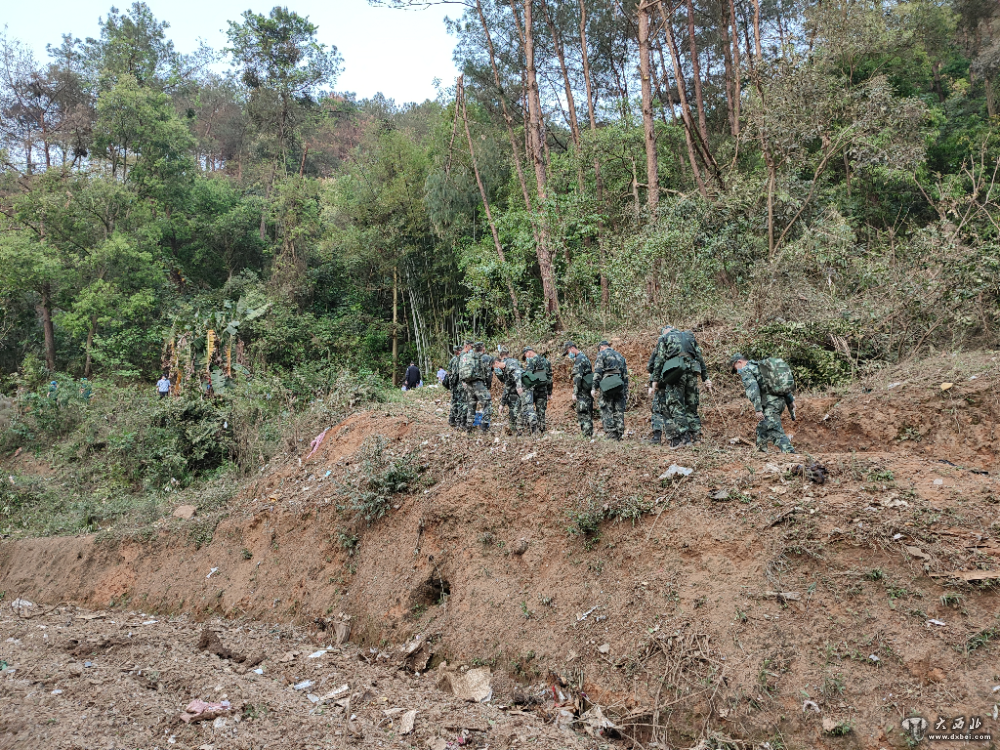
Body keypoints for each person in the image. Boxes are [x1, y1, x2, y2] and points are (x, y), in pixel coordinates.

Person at [647, 326, 711, 446]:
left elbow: (659, 359)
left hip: (676, 371)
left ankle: (685, 438)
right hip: (692, 371)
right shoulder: (689, 336)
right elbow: (700, 357)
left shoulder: (664, 338)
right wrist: (705, 378)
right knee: (691, 406)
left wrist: (654, 380)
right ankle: (697, 438)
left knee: (676, 405)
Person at [730, 353, 795, 454]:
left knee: (774, 429)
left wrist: (758, 409)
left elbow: (753, 389)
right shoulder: (761, 366)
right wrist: (790, 400)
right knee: (762, 428)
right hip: (780, 402)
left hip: (771, 404)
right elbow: (779, 382)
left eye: (736, 368)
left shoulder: (747, 370)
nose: (738, 372)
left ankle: (792, 455)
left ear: (739, 362)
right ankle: (760, 452)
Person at [592, 340, 628, 441]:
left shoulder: (602, 354)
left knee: (606, 407)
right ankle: (619, 432)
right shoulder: (620, 356)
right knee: (619, 408)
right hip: (619, 383)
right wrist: (626, 391)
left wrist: (594, 387)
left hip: (607, 384)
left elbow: (598, 371)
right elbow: (625, 375)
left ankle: (611, 433)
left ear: (601, 347)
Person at [458, 341, 491, 432]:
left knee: (471, 406)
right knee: (487, 404)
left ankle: (468, 428)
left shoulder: (466, 356)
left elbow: (460, 371)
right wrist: (488, 385)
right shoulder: (484, 357)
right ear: (482, 348)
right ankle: (484, 427)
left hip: (468, 384)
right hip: (479, 383)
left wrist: (463, 382)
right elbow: (488, 373)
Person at [564, 341, 594, 438]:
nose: (569, 355)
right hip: (588, 390)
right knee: (588, 414)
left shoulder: (579, 360)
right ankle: (589, 437)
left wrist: (575, 392)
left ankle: (587, 437)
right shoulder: (585, 358)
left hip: (582, 392)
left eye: (568, 352)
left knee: (583, 414)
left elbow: (577, 378)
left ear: (572, 348)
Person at [520, 346, 553, 435]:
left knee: (529, 411)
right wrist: (549, 392)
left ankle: (532, 432)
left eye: (526, 356)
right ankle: (541, 432)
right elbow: (550, 379)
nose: (526, 358)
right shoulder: (546, 361)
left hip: (532, 391)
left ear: (529, 353)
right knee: (541, 412)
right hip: (543, 391)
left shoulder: (532, 361)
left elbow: (527, 377)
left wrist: (523, 389)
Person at [492, 347, 524, 435]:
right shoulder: (509, 366)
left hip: (522, 389)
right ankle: (516, 431)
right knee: (514, 411)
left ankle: (523, 432)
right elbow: (507, 387)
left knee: (518, 411)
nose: (496, 370)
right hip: (515, 391)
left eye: (495, 367)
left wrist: (519, 386)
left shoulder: (510, 365)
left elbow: (519, 374)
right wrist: (502, 404)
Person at [447, 346, 466, 427]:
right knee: (460, 402)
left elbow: (449, 372)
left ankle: (452, 419)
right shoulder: (460, 360)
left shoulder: (452, 360)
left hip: (453, 384)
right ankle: (459, 421)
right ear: (459, 351)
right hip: (459, 384)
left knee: (454, 401)